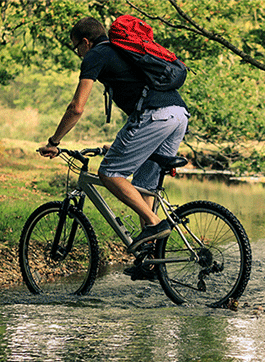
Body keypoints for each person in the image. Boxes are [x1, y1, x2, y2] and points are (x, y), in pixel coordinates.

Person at [38, 17, 189, 264]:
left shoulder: (96, 54)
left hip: (155, 115)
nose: (78, 54)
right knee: (144, 185)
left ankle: (153, 222)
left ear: (85, 42)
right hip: (178, 114)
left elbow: (76, 108)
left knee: (109, 173)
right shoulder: (123, 51)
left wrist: (54, 141)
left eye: (76, 48)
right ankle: (150, 260)